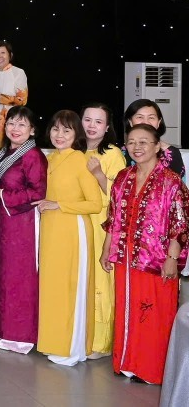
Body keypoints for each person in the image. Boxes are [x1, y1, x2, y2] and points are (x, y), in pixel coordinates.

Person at [102, 124, 189, 385]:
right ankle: (127, 362)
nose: (137, 147)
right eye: (131, 142)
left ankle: (152, 368)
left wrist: (172, 259)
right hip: (126, 257)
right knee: (127, 308)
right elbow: (113, 218)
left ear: (157, 146)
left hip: (156, 259)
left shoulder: (171, 181)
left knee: (153, 312)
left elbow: (180, 225)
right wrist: (107, 250)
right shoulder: (123, 177)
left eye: (143, 142)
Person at [37, 110, 104, 366]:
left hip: (73, 230)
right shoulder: (50, 159)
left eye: (67, 130)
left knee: (71, 288)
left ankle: (71, 348)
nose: (60, 135)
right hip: (51, 230)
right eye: (56, 129)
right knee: (52, 288)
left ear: (76, 134)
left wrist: (59, 205)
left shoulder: (81, 160)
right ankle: (54, 342)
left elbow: (94, 204)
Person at [0, 105, 48, 353]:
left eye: (22, 124)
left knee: (20, 277)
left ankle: (21, 334)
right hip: (3, 222)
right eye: (11, 123)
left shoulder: (32, 156)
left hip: (22, 224)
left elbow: (37, 193)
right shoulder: (4, 152)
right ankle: (3, 328)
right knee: (3, 276)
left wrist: (1, 193)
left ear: (32, 130)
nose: (15, 128)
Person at [81, 102, 127, 356]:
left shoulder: (112, 154)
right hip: (77, 223)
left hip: (101, 225)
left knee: (100, 281)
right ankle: (80, 335)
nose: (92, 126)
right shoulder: (74, 150)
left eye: (98, 122)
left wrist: (99, 174)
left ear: (107, 127)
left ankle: (101, 341)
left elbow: (120, 197)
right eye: (87, 119)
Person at [125, 99, 185, 177]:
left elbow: (177, 183)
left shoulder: (171, 153)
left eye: (151, 118)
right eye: (140, 117)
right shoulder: (122, 152)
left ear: (159, 122)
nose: (146, 122)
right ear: (130, 122)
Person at [0, 40, 28, 144]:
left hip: (12, 121)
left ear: (10, 55)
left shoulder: (18, 72)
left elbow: (22, 100)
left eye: (3, 52)